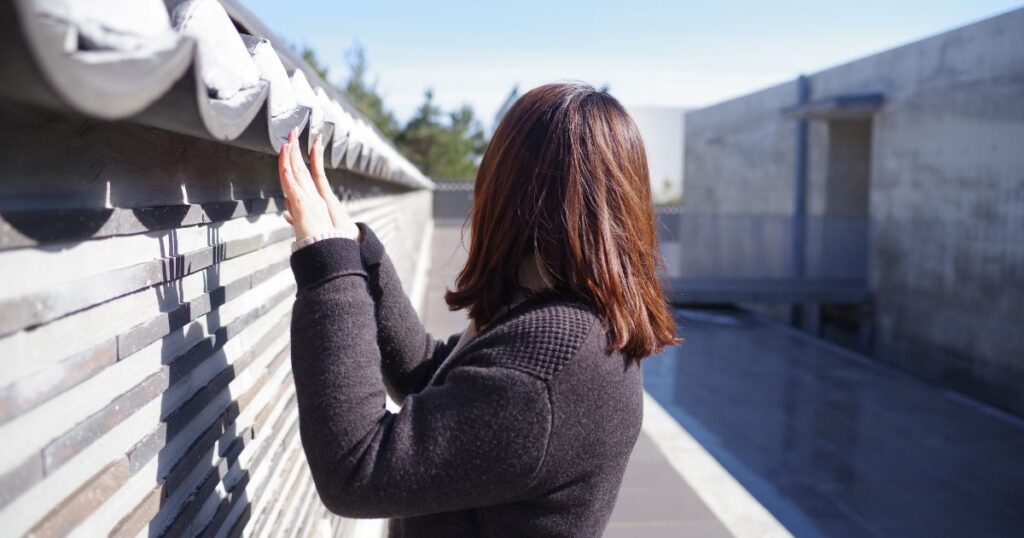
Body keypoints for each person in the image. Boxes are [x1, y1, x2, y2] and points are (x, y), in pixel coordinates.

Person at [278, 82, 681, 537]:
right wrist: (359, 256)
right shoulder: (581, 326)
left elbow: (358, 469)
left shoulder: (552, 366)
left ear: (508, 191)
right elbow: (433, 372)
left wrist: (328, 269)